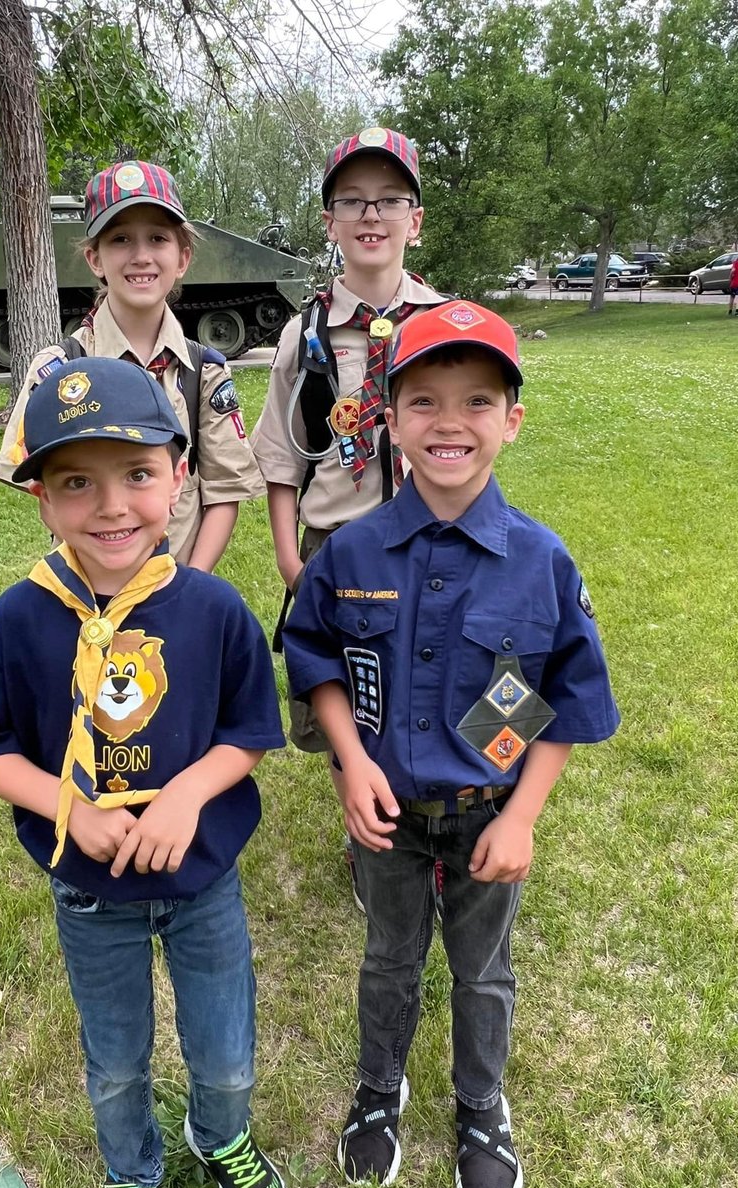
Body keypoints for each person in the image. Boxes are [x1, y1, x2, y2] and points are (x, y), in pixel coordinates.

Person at [283, 301, 620, 1188]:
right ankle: (376, 1093)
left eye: (477, 402)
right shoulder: (351, 550)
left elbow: (569, 698)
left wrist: (523, 817)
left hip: (487, 820)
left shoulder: (540, 562)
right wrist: (352, 764)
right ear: (391, 420)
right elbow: (313, 655)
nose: (449, 423)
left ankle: (481, 1103)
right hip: (386, 816)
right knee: (389, 961)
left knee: (483, 971)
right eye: (424, 401)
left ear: (511, 420)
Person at [0, 357, 288, 1188]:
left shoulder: (213, 610)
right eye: (76, 483)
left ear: (180, 477)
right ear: (42, 499)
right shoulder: (19, 618)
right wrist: (70, 809)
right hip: (90, 888)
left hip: (201, 877)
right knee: (116, 1058)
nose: (110, 507)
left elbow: (248, 732)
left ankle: (221, 1137)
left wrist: (184, 794)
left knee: (225, 1049)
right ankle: (130, 1170)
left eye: (137, 474)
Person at [250, 128, 446, 909]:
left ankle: (428, 832)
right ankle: (364, 834)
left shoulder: (445, 322)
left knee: (425, 684)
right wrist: (289, 559)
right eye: (353, 201)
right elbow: (280, 457)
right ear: (330, 221)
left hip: (430, 536)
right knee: (347, 696)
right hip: (337, 545)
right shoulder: (303, 334)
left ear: (416, 219)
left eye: (390, 200)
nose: (372, 215)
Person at [0, 160, 264, 570]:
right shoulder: (58, 371)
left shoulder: (202, 372)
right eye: (120, 239)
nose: (140, 256)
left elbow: (224, 492)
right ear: (95, 259)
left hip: (177, 588)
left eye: (157, 238)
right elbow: (42, 489)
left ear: (183, 257)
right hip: (86, 597)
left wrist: (190, 587)